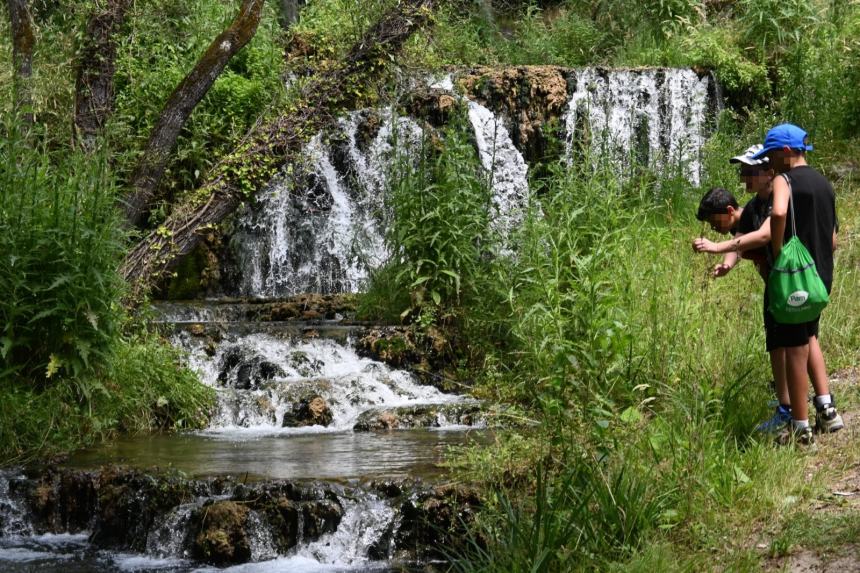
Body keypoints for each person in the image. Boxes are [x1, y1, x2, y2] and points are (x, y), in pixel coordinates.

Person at [752, 123, 844, 445]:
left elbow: (778, 214)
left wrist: (778, 253)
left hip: (794, 279)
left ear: (787, 152)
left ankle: (800, 426)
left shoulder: (783, 179)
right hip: (821, 277)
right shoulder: (824, 184)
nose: (770, 162)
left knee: (794, 348)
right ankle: (827, 410)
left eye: (772, 155)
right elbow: (832, 239)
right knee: (809, 335)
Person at [693, 145, 792, 433]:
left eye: (748, 171)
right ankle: (792, 403)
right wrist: (727, 264)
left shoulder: (779, 199)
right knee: (778, 343)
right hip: (776, 284)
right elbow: (741, 239)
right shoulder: (755, 206)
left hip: (791, 280)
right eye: (742, 171)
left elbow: (762, 235)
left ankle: (803, 406)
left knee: (795, 342)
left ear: (768, 169)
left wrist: (716, 248)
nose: (743, 177)